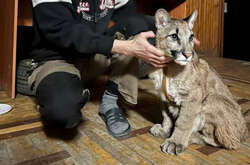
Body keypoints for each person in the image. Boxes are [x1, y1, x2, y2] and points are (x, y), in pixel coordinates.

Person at [20, 0, 174, 137]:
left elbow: (132, 19)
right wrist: (125, 48)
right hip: (58, 59)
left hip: (93, 56)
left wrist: (178, 33)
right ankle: (33, 77)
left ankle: (111, 101)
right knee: (63, 114)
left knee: (140, 24)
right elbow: (63, 31)